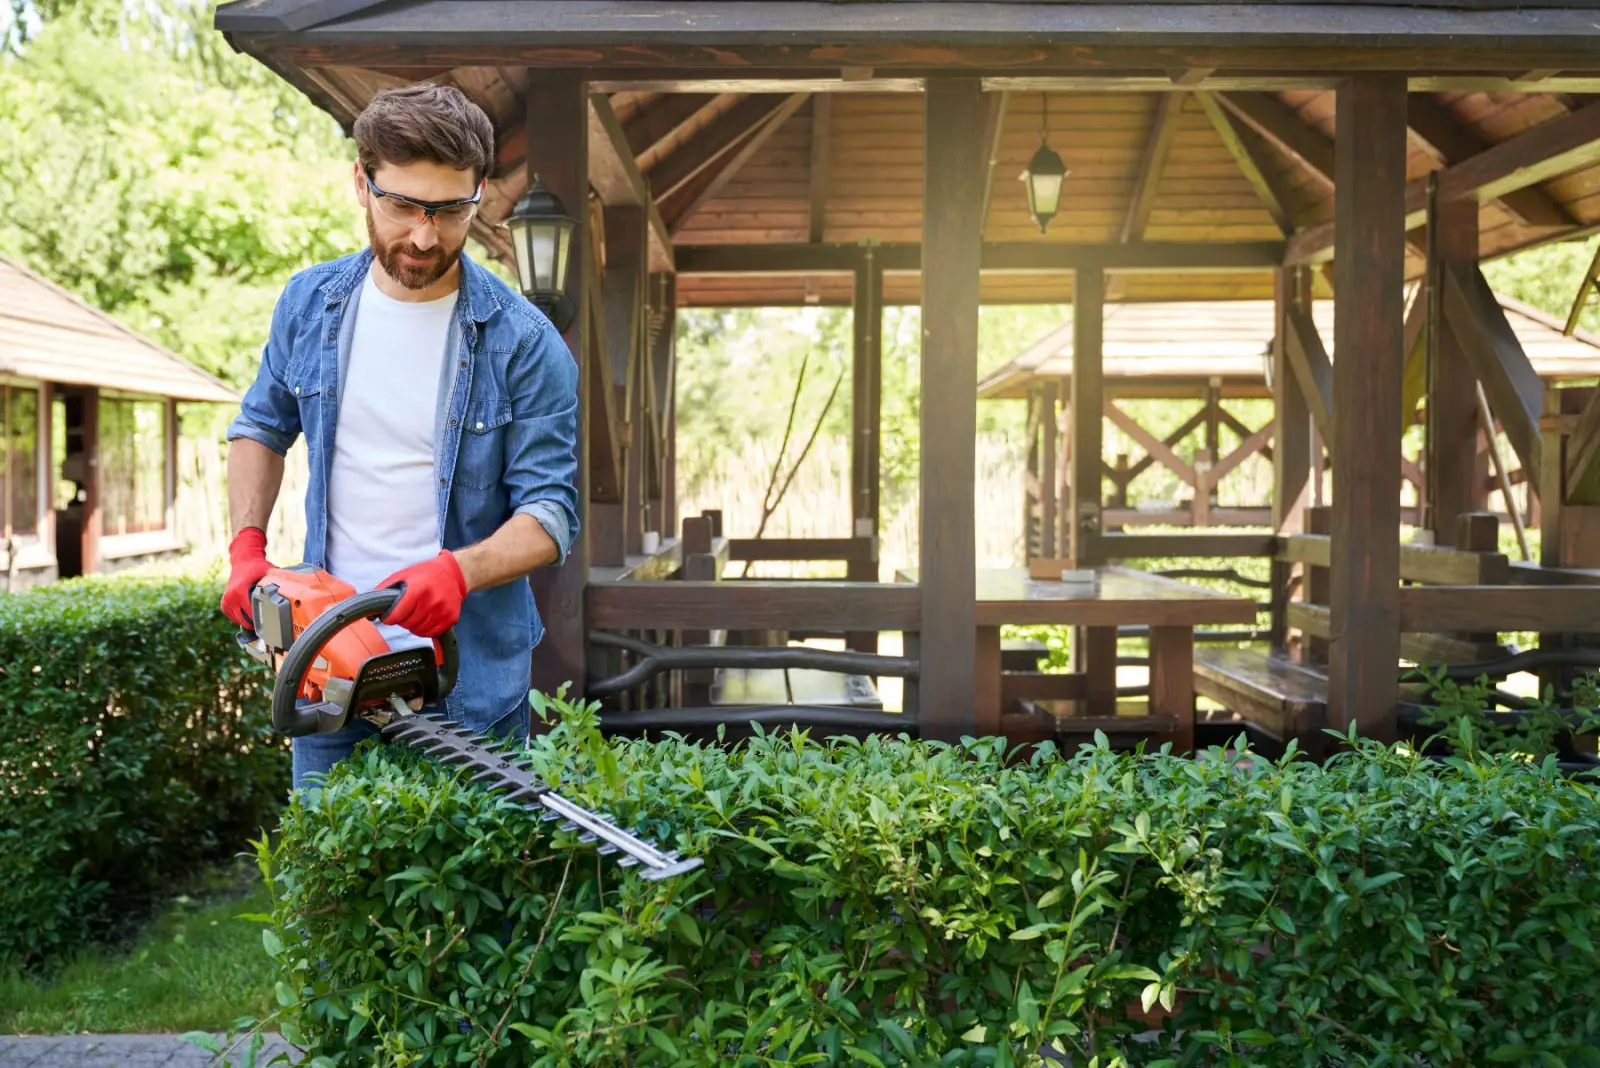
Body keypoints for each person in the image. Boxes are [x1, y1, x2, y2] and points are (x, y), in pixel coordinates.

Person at [220, 83, 580, 789]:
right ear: (361, 181)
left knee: (474, 896)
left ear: (478, 194)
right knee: (330, 893)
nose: (423, 235)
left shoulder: (525, 343)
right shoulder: (309, 304)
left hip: (467, 680)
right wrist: (246, 548)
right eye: (404, 206)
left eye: (450, 211)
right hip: (331, 666)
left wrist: (459, 572)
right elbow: (261, 426)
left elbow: (552, 513)